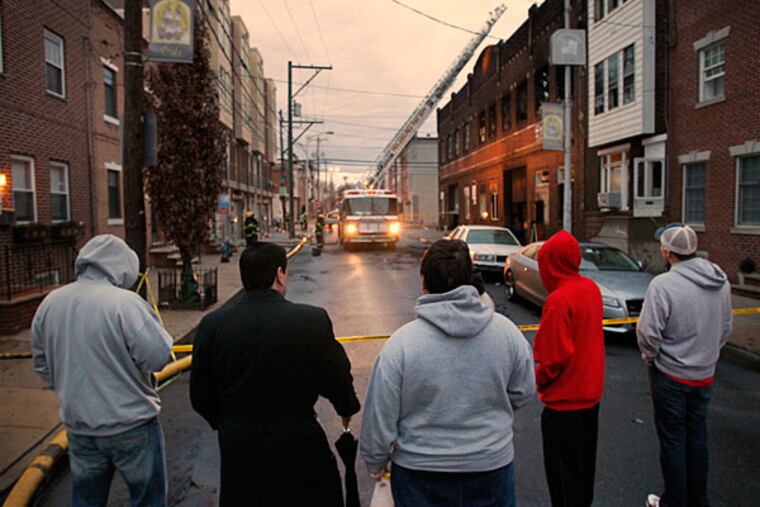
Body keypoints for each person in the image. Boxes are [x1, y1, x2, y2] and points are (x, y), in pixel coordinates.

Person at [360, 239, 535, 507]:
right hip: (490, 466)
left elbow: (380, 415)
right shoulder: (507, 333)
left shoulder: (402, 344)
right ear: (470, 280)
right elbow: (523, 391)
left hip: (419, 472)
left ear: (424, 283)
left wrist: (375, 460)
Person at [190, 242, 360, 506]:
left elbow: (200, 395)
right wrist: (346, 407)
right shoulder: (310, 321)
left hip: (239, 445)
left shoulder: (212, 325)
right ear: (280, 274)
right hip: (298, 439)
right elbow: (336, 377)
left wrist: (228, 422)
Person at [31, 235, 173, 506]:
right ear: (122, 267)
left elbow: (41, 363)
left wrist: (70, 385)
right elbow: (158, 357)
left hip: (80, 426)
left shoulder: (50, 303)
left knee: (87, 499)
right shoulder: (124, 304)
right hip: (132, 424)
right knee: (148, 499)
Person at [638, 225, 733, 507]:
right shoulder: (721, 281)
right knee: (697, 437)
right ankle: (697, 499)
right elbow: (726, 326)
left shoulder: (664, 285)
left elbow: (648, 333)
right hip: (704, 374)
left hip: (671, 374)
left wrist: (651, 356)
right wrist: (709, 353)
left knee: (673, 439)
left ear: (667, 251)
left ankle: (673, 501)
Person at [533, 230, 605, 507]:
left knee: (562, 483)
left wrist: (538, 380)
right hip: (590, 399)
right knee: (582, 476)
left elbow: (553, 359)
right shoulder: (590, 289)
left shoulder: (558, 301)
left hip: (563, 406)